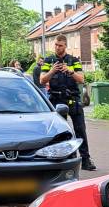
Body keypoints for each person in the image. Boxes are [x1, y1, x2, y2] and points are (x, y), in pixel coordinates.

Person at [39, 34, 94, 170]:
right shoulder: (48, 60)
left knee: (80, 129)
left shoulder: (73, 60)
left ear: (65, 46)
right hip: (56, 100)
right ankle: (63, 161)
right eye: (56, 45)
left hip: (72, 99)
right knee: (60, 132)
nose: (57, 48)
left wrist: (70, 71)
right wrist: (52, 71)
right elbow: (42, 80)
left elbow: (81, 79)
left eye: (60, 45)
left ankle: (86, 160)